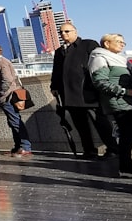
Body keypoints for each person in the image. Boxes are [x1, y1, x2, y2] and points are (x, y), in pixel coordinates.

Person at [88, 33, 132, 178]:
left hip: (128, 101)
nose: (122, 44)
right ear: (106, 43)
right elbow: (100, 82)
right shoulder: (100, 57)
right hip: (118, 102)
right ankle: (126, 167)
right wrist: (127, 91)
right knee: (126, 134)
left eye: (123, 42)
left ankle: (126, 166)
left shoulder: (121, 58)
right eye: (118, 41)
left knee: (128, 134)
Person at [51, 23, 119, 159]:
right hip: (69, 95)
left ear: (75, 32)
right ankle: (89, 150)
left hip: (88, 93)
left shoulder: (88, 44)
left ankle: (113, 149)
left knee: (101, 123)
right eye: (61, 32)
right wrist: (54, 86)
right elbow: (56, 71)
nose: (64, 34)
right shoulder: (59, 52)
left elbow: (100, 63)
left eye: (67, 31)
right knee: (81, 126)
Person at [0, 44, 33, 157]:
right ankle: (18, 147)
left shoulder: (1, 62)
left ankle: (25, 147)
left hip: (8, 97)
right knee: (13, 121)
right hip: (7, 97)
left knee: (15, 121)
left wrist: (2, 93)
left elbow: (7, 79)